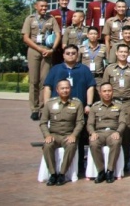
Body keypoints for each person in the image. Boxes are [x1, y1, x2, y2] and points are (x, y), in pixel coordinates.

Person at [43, 44, 96, 174]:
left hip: (78, 110)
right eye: (68, 53)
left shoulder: (84, 69)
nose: (71, 55)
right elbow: (48, 87)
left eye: (73, 53)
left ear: (77, 55)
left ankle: (78, 167)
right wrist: (47, 105)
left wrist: (88, 104)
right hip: (59, 110)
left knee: (79, 138)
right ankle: (55, 171)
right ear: (63, 55)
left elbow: (90, 86)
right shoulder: (56, 69)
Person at [102, 44, 130, 168]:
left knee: (127, 132)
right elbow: (104, 87)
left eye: (125, 52)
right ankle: (113, 162)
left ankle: (125, 161)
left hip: (129, 103)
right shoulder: (109, 69)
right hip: (113, 103)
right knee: (114, 130)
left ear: (128, 54)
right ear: (116, 53)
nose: (123, 54)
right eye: (121, 52)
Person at [39, 79, 84, 186]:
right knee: (47, 145)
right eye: (62, 88)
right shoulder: (50, 103)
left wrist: (74, 135)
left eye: (67, 88)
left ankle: (62, 174)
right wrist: (47, 135)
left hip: (68, 135)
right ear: (57, 90)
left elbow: (80, 122)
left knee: (71, 145)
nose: (65, 90)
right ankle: (53, 174)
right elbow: (43, 122)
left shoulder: (77, 103)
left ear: (70, 89)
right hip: (54, 134)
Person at [22, 0, 61, 120]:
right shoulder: (30, 19)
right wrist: (39, 49)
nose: (44, 8)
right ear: (36, 6)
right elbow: (26, 38)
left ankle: (44, 108)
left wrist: (52, 50)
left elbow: (58, 34)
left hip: (47, 51)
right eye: (42, 6)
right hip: (34, 50)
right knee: (33, 81)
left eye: (46, 6)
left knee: (45, 81)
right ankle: (34, 109)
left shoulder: (51, 19)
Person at [87, 82, 126, 184]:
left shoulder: (119, 106)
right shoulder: (95, 107)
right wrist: (92, 133)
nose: (107, 93)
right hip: (99, 133)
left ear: (112, 92)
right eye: (104, 91)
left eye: (109, 91)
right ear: (100, 93)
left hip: (113, 132)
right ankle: (100, 171)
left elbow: (122, 122)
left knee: (116, 142)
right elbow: (90, 124)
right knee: (94, 143)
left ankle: (110, 171)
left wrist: (118, 132)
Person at [49, 0, 74, 64]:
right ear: (58, 1)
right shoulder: (52, 13)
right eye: (62, 0)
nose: (64, 2)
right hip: (56, 40)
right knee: (55, 61)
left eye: (66, 0)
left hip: (67, 40)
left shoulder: (72, 13)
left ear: (68, 1)